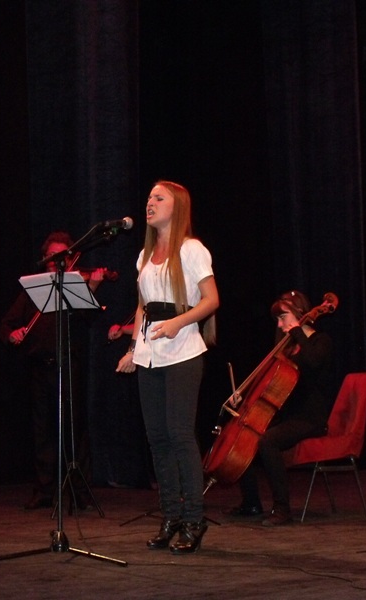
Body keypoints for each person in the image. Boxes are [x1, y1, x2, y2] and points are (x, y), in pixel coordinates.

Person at [116, 180, 219, 555]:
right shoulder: (144, 256)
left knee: (179, 435)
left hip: (183, 352)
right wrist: (133, 348)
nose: (150, 202)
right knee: (157, 439)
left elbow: (211, 300)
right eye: (149, 197)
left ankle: (194, 519)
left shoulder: (191, 250)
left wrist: (179, 322)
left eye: (159, 198)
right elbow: (142, 306)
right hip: (150, 354)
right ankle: (171, 516)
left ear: (178, 207)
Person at [0, 231, 104, 511]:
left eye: (63, 256)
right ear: (46, 259)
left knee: (74, 429)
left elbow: (88, 318)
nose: (57, 261)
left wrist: (93, 287)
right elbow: (6, 324)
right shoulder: (33, 290)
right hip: (39, 368)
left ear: (70, 258)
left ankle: (80, 491)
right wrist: (12, 334)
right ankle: (44, 490)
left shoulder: (75, 284)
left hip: (68, 365)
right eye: (51, 256)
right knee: (43, 431)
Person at [225, 290, 334, 526]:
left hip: (310, 418)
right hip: (287, 415)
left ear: (299, 314)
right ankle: (251, 502)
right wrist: (242, 396)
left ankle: (283, 509)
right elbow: (269, 384)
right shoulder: (287, 346)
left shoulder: (320, 341)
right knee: (245, 435)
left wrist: (297, 331)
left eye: (283, 317)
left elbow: (313, 364)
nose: (279, 324)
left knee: (268, 441)